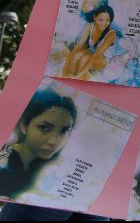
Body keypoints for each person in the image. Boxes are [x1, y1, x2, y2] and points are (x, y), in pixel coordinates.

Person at [0, 89, 105, 221]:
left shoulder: (54, 166)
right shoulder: (5, 165)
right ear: (24, 125)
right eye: (45, 128)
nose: (54, 141)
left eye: (64, 131)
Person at [60, 4, 117, 79]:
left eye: (107, 20)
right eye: (101, 20)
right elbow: (79, 45)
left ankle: (78, 79)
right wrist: (67, 64)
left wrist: (77, 77)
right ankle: (69, 75)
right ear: (95, 17)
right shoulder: (90, 26)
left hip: (103, 59)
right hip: (92, 51)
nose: (104, 23)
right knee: (77, 55)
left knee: (85, 59)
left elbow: (96, 56)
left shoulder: (111, 34)